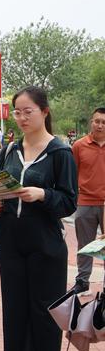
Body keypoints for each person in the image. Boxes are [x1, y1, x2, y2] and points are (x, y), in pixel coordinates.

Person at [0, 86, 77, 351]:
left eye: (28, 112)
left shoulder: (60, 152)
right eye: (17, 112)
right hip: (11, 241)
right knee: (14, 310)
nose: (22, 118)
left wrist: (43, 194)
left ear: (44, 112)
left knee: (44, 312)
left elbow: (69, 201)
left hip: (45, 243)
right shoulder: (9, 151)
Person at [71, 107, 105, 295]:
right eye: (97, 121)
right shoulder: (79, 146)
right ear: (91, 122)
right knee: (85, 244)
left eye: (104, 122)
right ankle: (83, 282)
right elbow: (72, 173)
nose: (100, 125)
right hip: (85, 202)